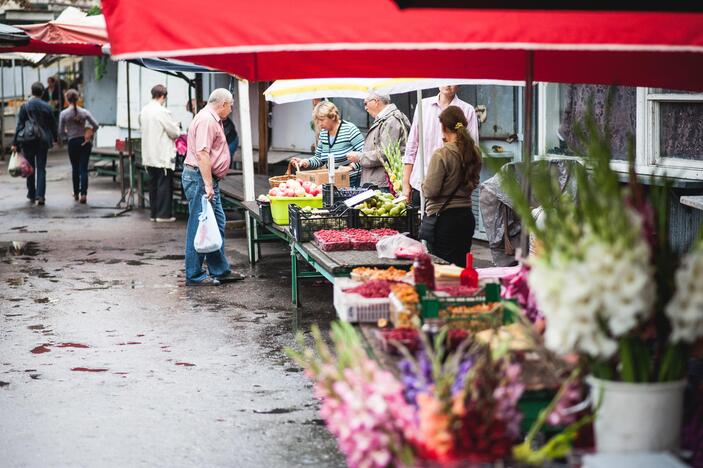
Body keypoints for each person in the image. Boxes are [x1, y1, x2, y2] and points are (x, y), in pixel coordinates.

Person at [182, 88, 243, 286]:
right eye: (231, 105)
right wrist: (208, 184)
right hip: (201, 179)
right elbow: (202, 154)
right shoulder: (208, 120)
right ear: (223, 104)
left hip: (205, 180)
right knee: (199, 227)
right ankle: (194, 275)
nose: (231, 109)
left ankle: (219, 269)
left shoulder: (210, 118)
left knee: (215, 224)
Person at [421, 105, 482, 267]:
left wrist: (423, 185)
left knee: (444, 270)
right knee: (461, 267)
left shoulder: (442, 154)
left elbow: (431, 190)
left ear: (444, 127)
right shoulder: (475, 152)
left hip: (444, 221)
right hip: (466, 217)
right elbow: (474, 182)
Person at [403, 86, 479, 207]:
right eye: (444, 79)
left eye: (453, 80)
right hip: (420, 183)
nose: (448, 84)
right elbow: (412, 146)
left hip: (452, 191)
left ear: (459, 84)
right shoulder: (423, 106)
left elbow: (472, 150)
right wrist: (405, 183)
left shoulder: (467, 110)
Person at [290, 101, 364, 187]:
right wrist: (307, 162)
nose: (319, 124)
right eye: (317, 120)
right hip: (332, 182)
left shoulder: (349, 129)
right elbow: (319, 159)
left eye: (322, 120)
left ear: (332, 117)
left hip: (351, 182)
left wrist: (351, 167)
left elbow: (364, 154)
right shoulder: (324, 133)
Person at [346, 92, 410, 189]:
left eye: (366, 103)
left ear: (376, 102)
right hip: (379, 182)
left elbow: (385, 153)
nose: (365, 108)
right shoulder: (386, 119)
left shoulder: (391, 120)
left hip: (384, 184)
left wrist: (359, 157)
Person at [139, 84, 181, 222]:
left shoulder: (144, 111)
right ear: (163, 96)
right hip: (162, 154)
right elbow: (174, 133)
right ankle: (163, 214)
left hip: (148, 154)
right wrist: (177, 126)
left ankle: (153, 213)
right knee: (164, 184)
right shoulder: (162, 112)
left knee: (153, 184)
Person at [12, 82, 58, 206]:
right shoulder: (47, 106)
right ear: (42, 92)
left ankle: (31, 194)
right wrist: (56, 138)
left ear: (32, 92)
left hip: (28, 140)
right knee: (41, 168)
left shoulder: (25, 106)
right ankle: (41, 196)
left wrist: (15, 143)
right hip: (43, 140)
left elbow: (20, 125)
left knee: (30, 167)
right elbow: (53, 124)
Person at [59, 89, 99, 204]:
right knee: (83, 169)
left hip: (72, 142)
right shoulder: (85, 112)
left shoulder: (64, 114)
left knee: (75, 168)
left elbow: (60, 132)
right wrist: (89, 132)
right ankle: (84, 194)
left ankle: (76, 193)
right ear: (78, 98)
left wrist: (68, 133)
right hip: (84, 142)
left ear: (67, 99)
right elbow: (96, 125)